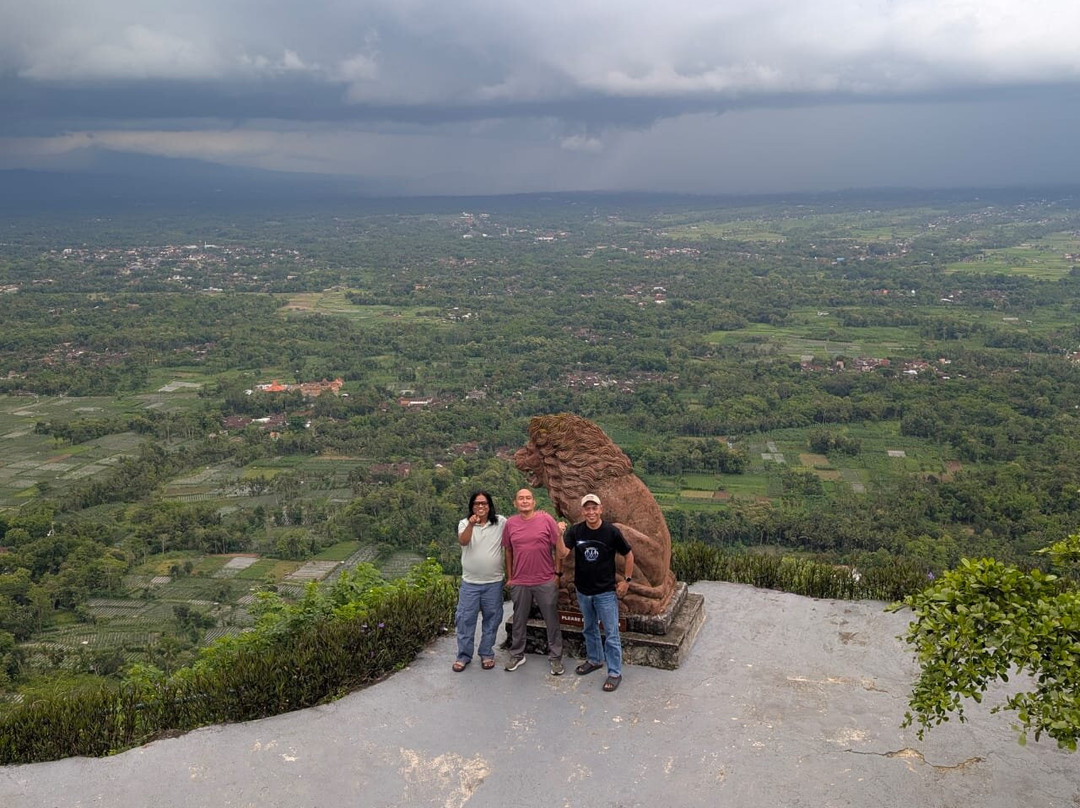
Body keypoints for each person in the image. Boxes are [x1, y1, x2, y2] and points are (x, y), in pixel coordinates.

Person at [563, 493, 634, 692]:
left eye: (594, 508)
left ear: (600, 509)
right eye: (587, 508)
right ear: (582, 511)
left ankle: (615, 672)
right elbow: (563, 553)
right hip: (583, 590)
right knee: (589, 628)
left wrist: (627, 581)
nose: (591, 512)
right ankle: (594, 660)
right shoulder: (576, 531)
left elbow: (628, 554)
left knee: (611, 633)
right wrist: (557, 534)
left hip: (605, 592)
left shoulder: (611, 532)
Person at [502, 488, 567, 675]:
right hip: (520, 580)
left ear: (534, 502)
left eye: (528, 498)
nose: (524, 501)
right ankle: (517, 654)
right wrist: (510, 577)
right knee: (519, 619)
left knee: (551, 620)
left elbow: (558, 548)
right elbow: (508, 550)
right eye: (521, 498)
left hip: (545, 579)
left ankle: (555, 657)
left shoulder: (546, 520)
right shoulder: (510, 524)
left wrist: (557, 574)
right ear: (515, 503)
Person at [453, 491, 507, 672]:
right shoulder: (464, 523)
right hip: (470, 583)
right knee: (465, 620)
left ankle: (486, 653)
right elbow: (463, 541)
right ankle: (463, 656)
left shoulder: (500, 522)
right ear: (472, 506)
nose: (480, 506)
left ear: (489, 506)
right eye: (477, 503)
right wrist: (471, 524)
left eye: (484, 503)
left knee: (492, 619)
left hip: (494, 582)